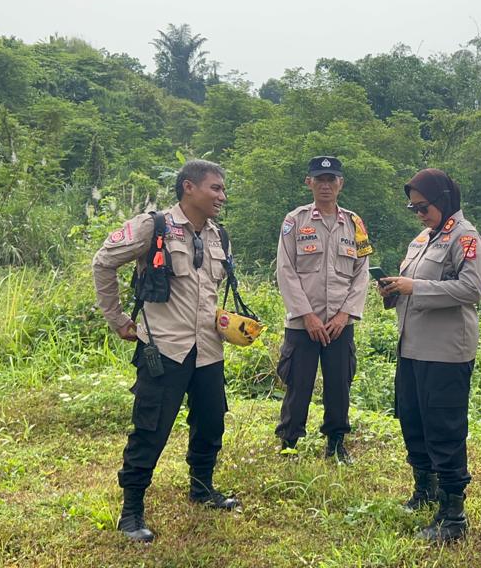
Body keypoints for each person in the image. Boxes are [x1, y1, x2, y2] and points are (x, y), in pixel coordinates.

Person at [92, 159, 241, 543]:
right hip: (164, 348)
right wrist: (117, 317)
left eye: (223, 189)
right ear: (189, 187)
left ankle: (201, 487)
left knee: (211, 423)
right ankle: (132, 511)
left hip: (209, 350)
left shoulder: (218, 236)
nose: (222, 196)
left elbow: (209, 292)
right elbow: (103, 263)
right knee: (151, 428)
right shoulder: (152, 226)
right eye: (216, 188)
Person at [378, 168, 481, 542]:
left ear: (443, 199)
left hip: (445, 352)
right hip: (412, 346)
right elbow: (415, 287)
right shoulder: (424, 237)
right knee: (413, 420)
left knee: (444, 430)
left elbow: (472, 289)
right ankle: (423, 490)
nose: (419, 213)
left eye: (423, 206)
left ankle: (452, 513)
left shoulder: (465, 237)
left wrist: (415, 286)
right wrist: (394, 290)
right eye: (413, 207)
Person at [275, 155, 370, 464]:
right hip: (304, 323)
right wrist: (307, 315)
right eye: (320, 180)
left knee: (339, 384)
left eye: (332, 180)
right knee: (298, 383)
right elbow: (285, 271)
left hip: (339, 324)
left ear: (340, 183)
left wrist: (345, 314)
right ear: (309, 183)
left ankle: (336, 442)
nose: (326, 185)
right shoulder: (295, 220)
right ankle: (289, 441)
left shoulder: (354, 223)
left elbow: (361, 271)